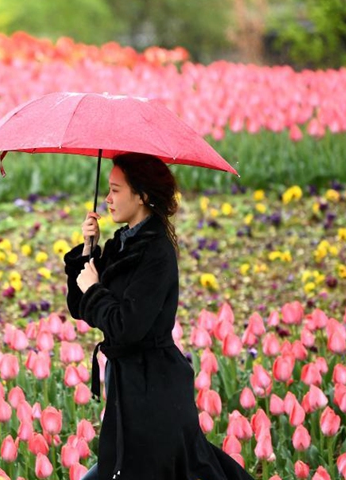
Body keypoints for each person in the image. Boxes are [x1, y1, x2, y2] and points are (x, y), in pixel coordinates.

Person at [63, 153, 256, 480]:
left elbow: (126, 327)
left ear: (142, 196)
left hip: (154, 389)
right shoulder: (123, 243)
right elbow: (83, 309)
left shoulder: (155, 252)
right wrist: (88, 250)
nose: (107, 199)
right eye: (108, 190)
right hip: (128, 382)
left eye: (116, 190)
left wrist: (95, 288)